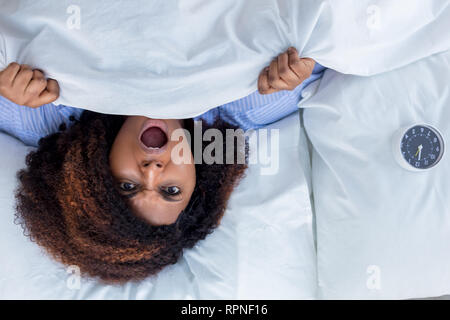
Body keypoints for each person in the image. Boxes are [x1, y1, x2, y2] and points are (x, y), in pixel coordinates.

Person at [0, 47, 325, 282]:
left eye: (128, 186)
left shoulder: (34, 114)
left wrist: (7, 82)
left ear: (93, 174)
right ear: (198, 175)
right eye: (170, 190)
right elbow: (333, 45)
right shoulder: (252, 104)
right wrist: (298, 67)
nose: (152, 171)